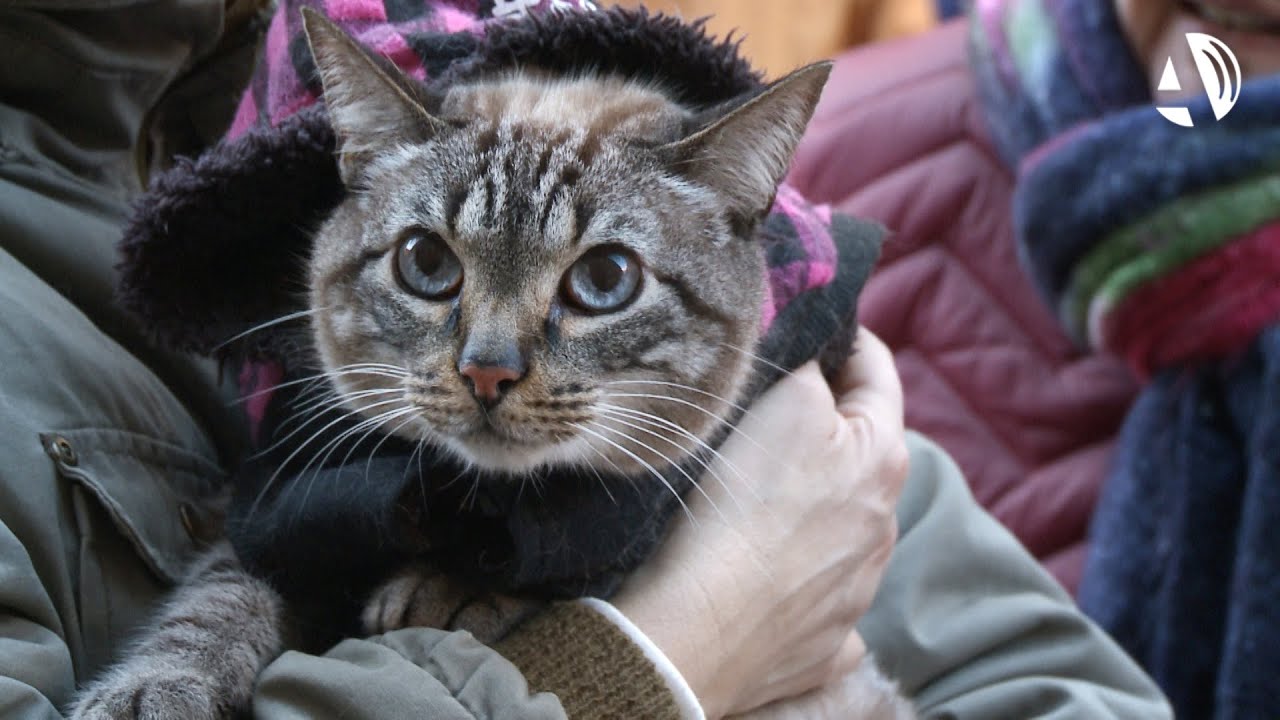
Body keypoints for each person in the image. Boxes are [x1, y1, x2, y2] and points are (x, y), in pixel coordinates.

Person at [0, 1, 1170, 718]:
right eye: (431, 272)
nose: (491, 362)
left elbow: (1056, 685)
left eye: (595, 285)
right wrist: (656, 654)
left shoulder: (790, 370)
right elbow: (297, 531)